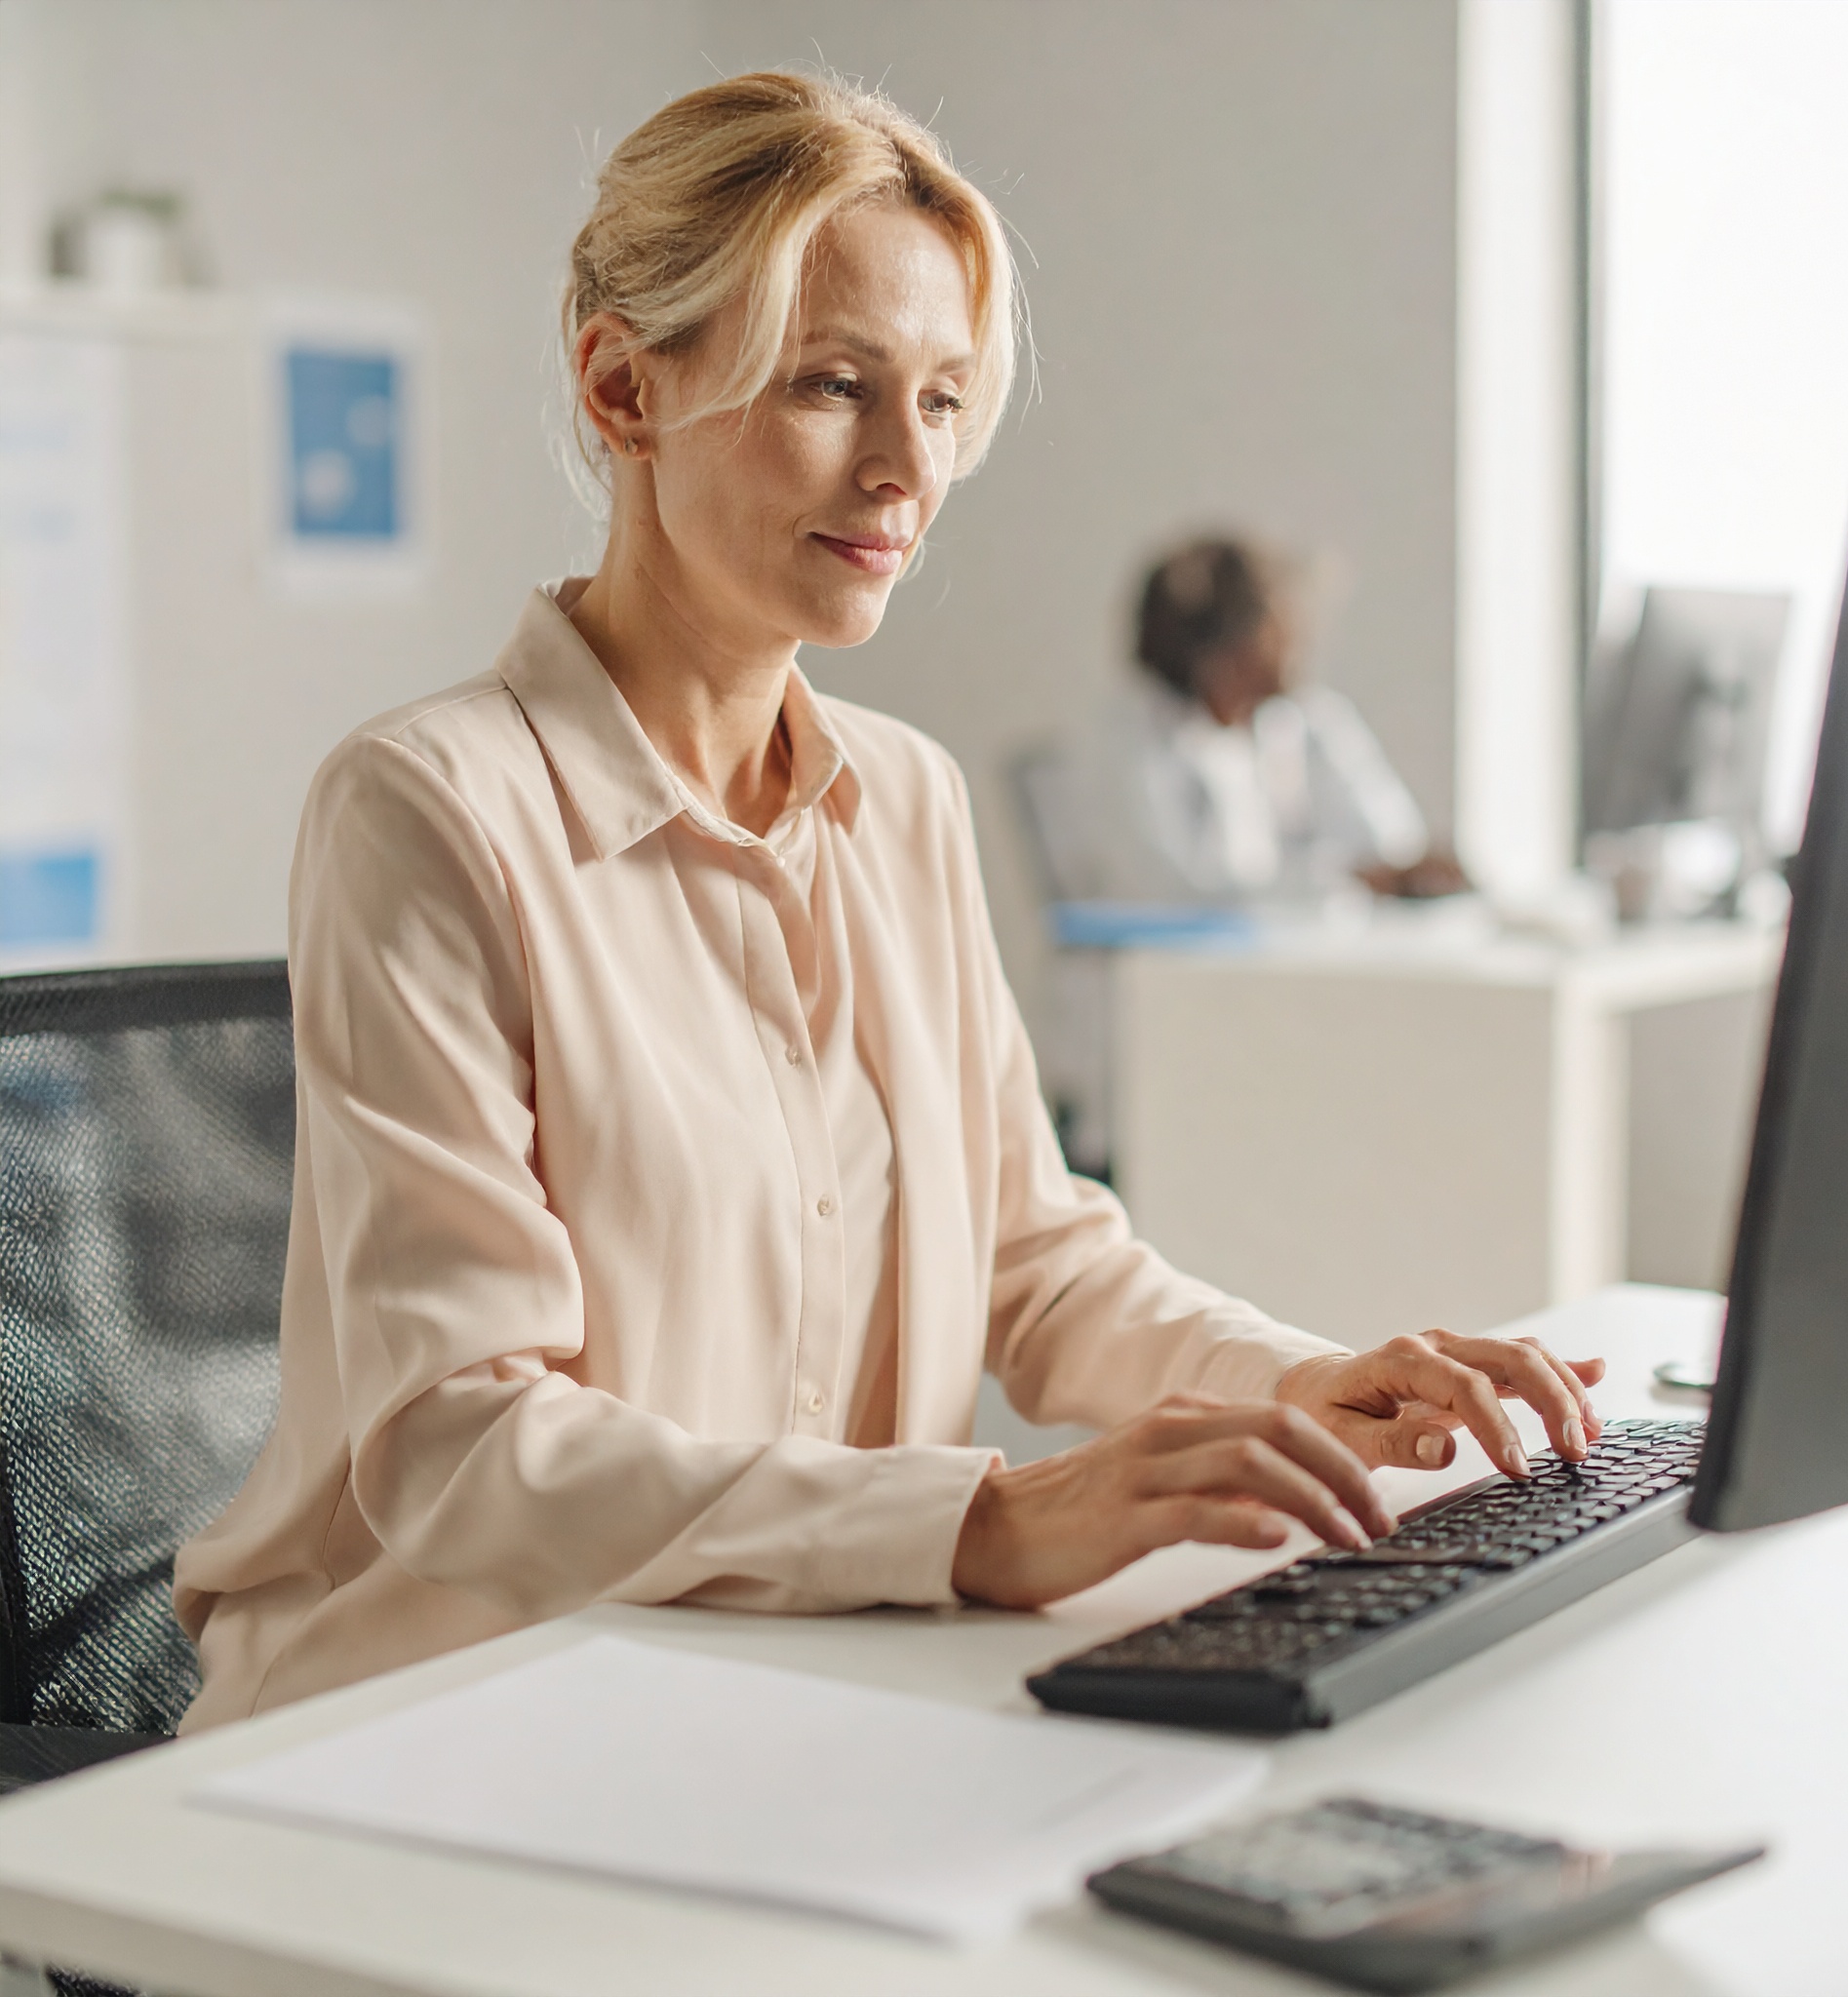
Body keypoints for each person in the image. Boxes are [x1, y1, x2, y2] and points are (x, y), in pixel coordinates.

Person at [173, 73, 1603, 1730]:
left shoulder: (901, 798)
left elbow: (1035, 1264)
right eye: (833, 385)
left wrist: (1304, 1383)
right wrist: (984, 1520)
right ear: (622, 387)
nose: (900, 468)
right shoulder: (428, 807)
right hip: (427, 1721)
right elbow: (456, 1440)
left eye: (937, 400)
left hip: (782, 1683)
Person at [1042, 536, 1469, 907]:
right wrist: (1342, 881)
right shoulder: (1129, 745)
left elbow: (1391, 845)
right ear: (1218, 659)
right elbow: (1169, 894)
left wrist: (1386, 877)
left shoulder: (1302, 722)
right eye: (1276, 632)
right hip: (1165, 983)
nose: (1296, 649)